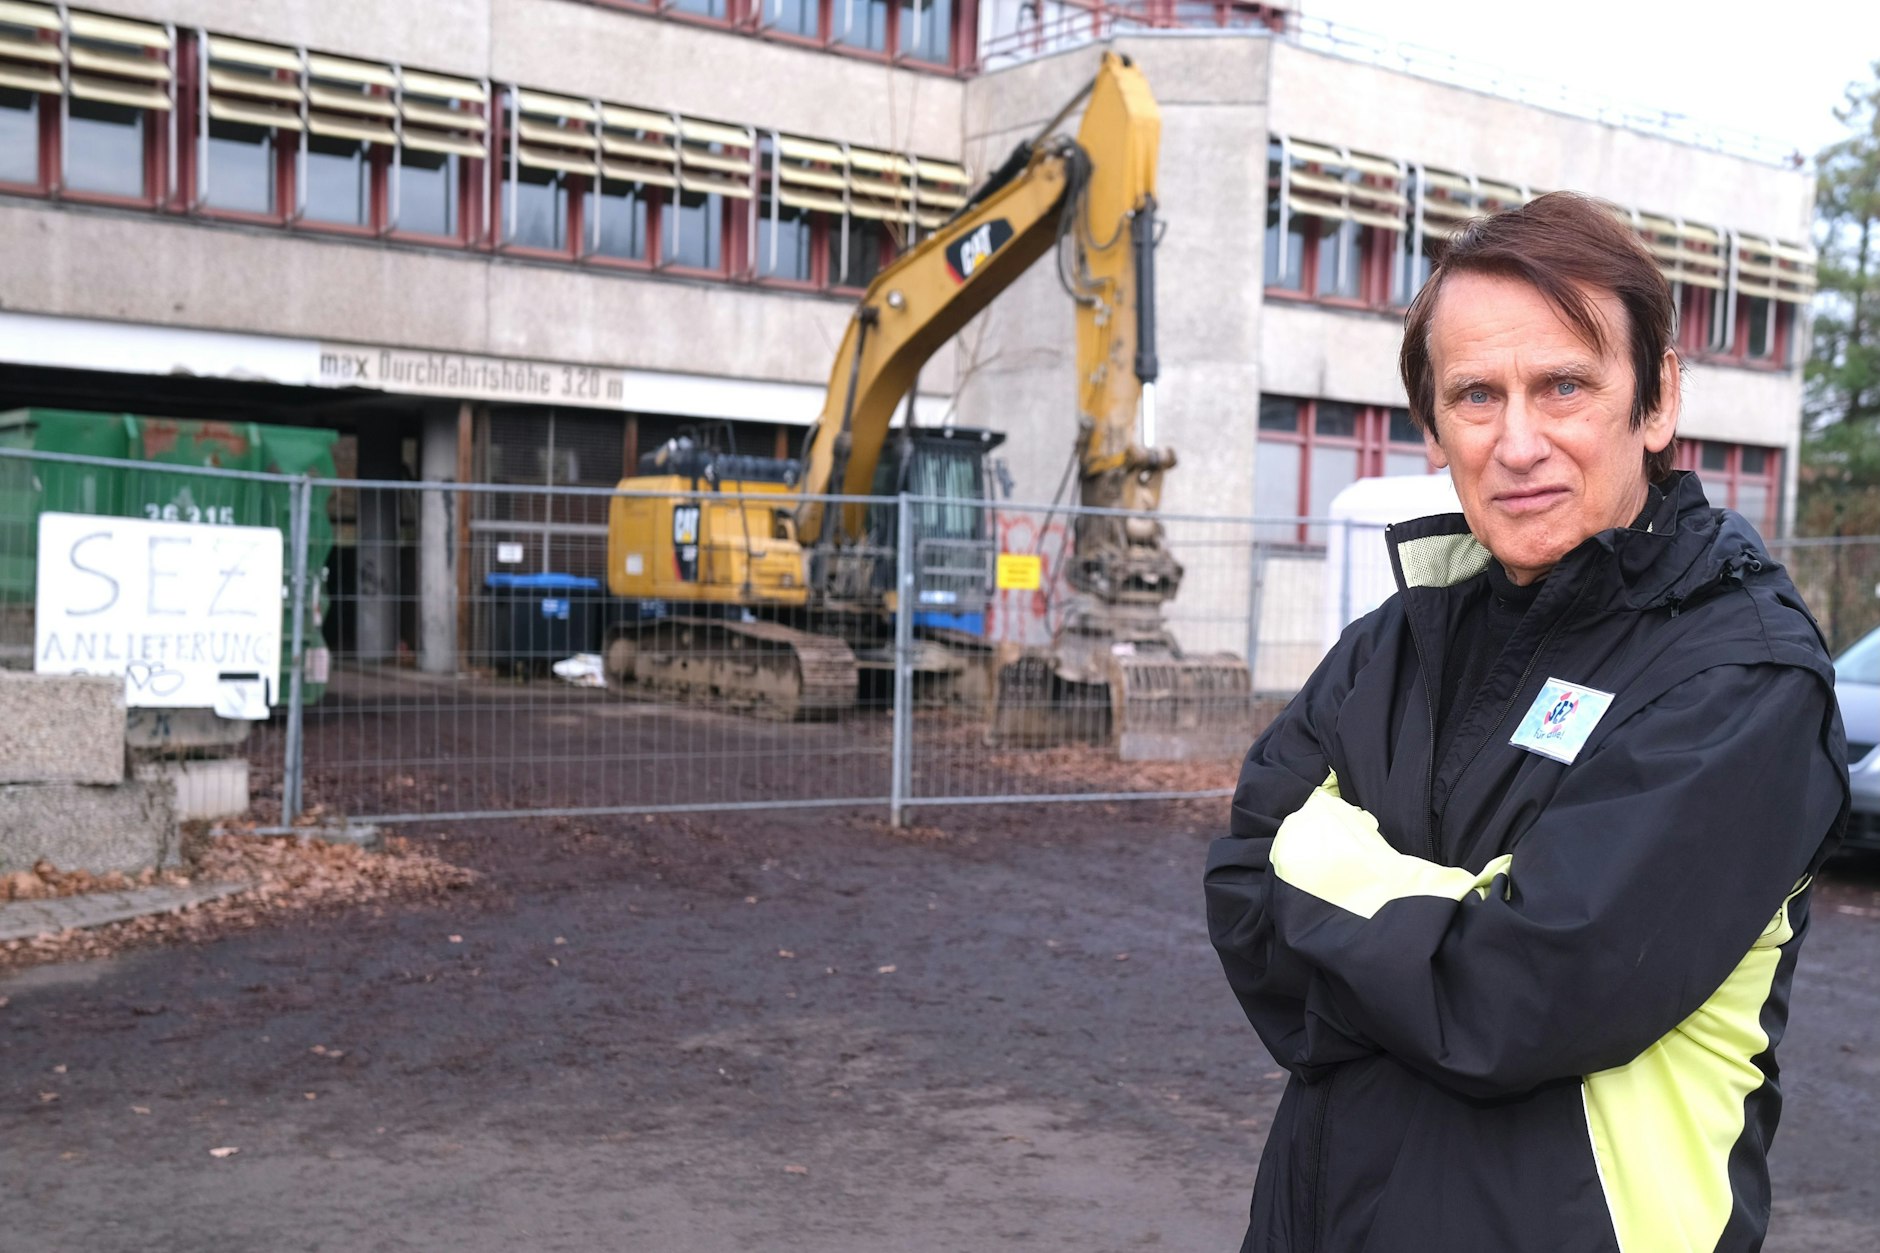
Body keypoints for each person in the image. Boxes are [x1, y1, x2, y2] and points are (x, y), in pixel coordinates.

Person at [1204, 192, 1849, 1253]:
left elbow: (1521, 994)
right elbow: (1239, 888)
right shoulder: (1393, 640)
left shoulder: (1737, 675)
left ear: (1653, 400)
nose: (1516, 441)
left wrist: (1325, 872)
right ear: (1432, 425)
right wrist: (1445, 934)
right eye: (1474, 394)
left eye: (1561, 385)